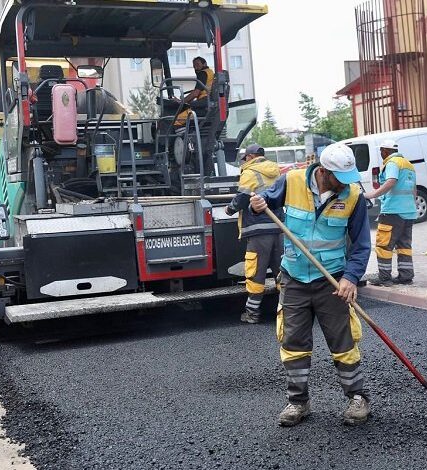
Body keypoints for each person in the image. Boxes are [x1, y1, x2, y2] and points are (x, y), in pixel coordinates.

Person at [249, 143, 372, 427]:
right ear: (324, 172)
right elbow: (263, 200)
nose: (347, 183)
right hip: (294, 279)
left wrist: (350, 277)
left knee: (344, 342)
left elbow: (362, 245)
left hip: (332, 280)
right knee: (293, 344)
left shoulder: (353, 196)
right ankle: (298, 402)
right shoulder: (291, 181)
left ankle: (357, 397)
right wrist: (257, 204)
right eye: (341, 177)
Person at [225, 144, 283, 324]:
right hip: (279, 227)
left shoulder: (249, 173)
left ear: (250, 157)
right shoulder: (276, 171)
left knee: (256, 272)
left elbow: (242, 198)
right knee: (282, 271)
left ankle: (252, 313)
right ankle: (289, 311)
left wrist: (229, 209)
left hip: (258, 230)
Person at [364, 140, 417, 287]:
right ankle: (406, 276)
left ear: (385, 151)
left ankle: (384, 278)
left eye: (381, 151)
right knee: (404, 245)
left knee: (383, 245)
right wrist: (411, 207)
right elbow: (414, 189)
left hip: (393, 211)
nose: (381, 154)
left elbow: (391, 181)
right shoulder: (408, 164)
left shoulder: (392, 163)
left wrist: (372, 195)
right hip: (409, 212)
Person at [173, 56, 214, 127]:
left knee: (176, 120)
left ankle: (180, 136)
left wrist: (181, 101)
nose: (196, 68)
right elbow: (197, 92)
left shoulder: (202, 73)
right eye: (194, 66)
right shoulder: (210, 72)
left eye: (197, 64)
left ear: (204, 64)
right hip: (206, 102)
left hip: (203, 104)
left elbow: (195, 93)